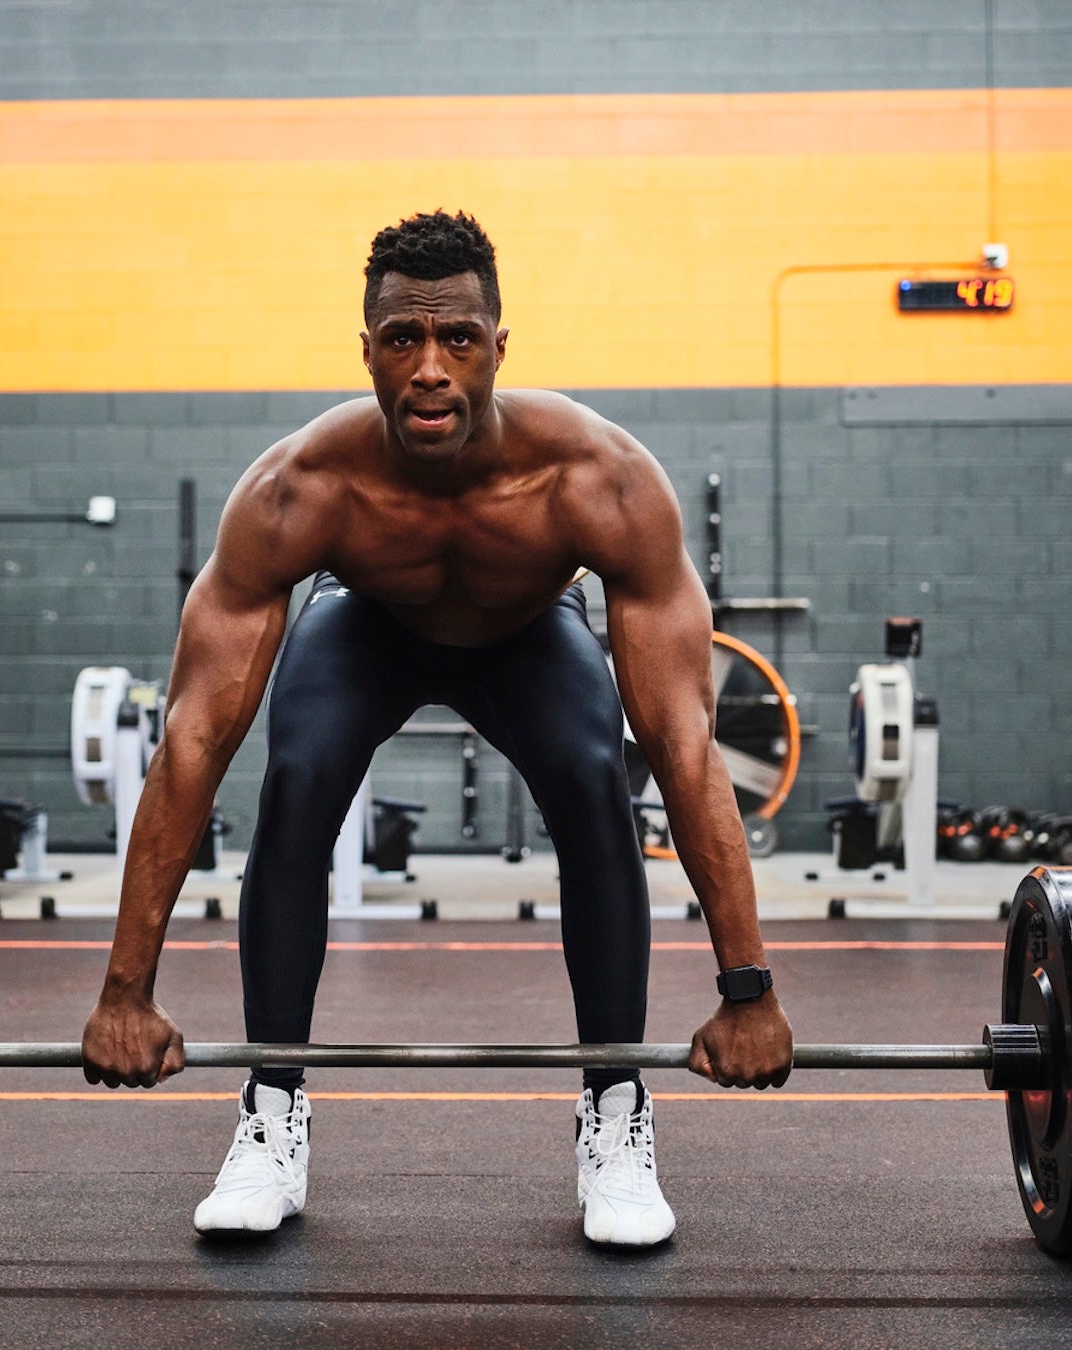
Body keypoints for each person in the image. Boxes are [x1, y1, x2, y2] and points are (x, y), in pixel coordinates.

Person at [80, 210, 794, 1247]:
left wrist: (748, 991)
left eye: (457, 338)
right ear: (364, 350)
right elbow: (192, 741)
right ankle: (272, 1110)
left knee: (602, 779)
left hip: (528, 634)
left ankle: (616, 1109)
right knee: (299, 775)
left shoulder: (602, 481)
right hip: (367, 626)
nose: (429, 369)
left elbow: (685, 746)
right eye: (401, 340)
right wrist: (123, 992)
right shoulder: (298, 491)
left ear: (499, 348)